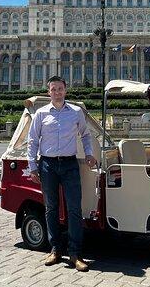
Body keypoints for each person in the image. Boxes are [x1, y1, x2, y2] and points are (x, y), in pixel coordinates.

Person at [27, 76, 97, 272]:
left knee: (74, 209)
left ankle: (75, 253)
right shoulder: (40, 114)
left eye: (60, 88)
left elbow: (85, 134)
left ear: (66, 90)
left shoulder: (75, 112)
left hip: (69, 164)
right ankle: (56, 249)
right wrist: (33, 166)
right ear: (48, 92)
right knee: (51, 208)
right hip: (47, 165)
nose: (57, 92)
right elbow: (32, 140)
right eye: (53, 89)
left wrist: (89, 154)